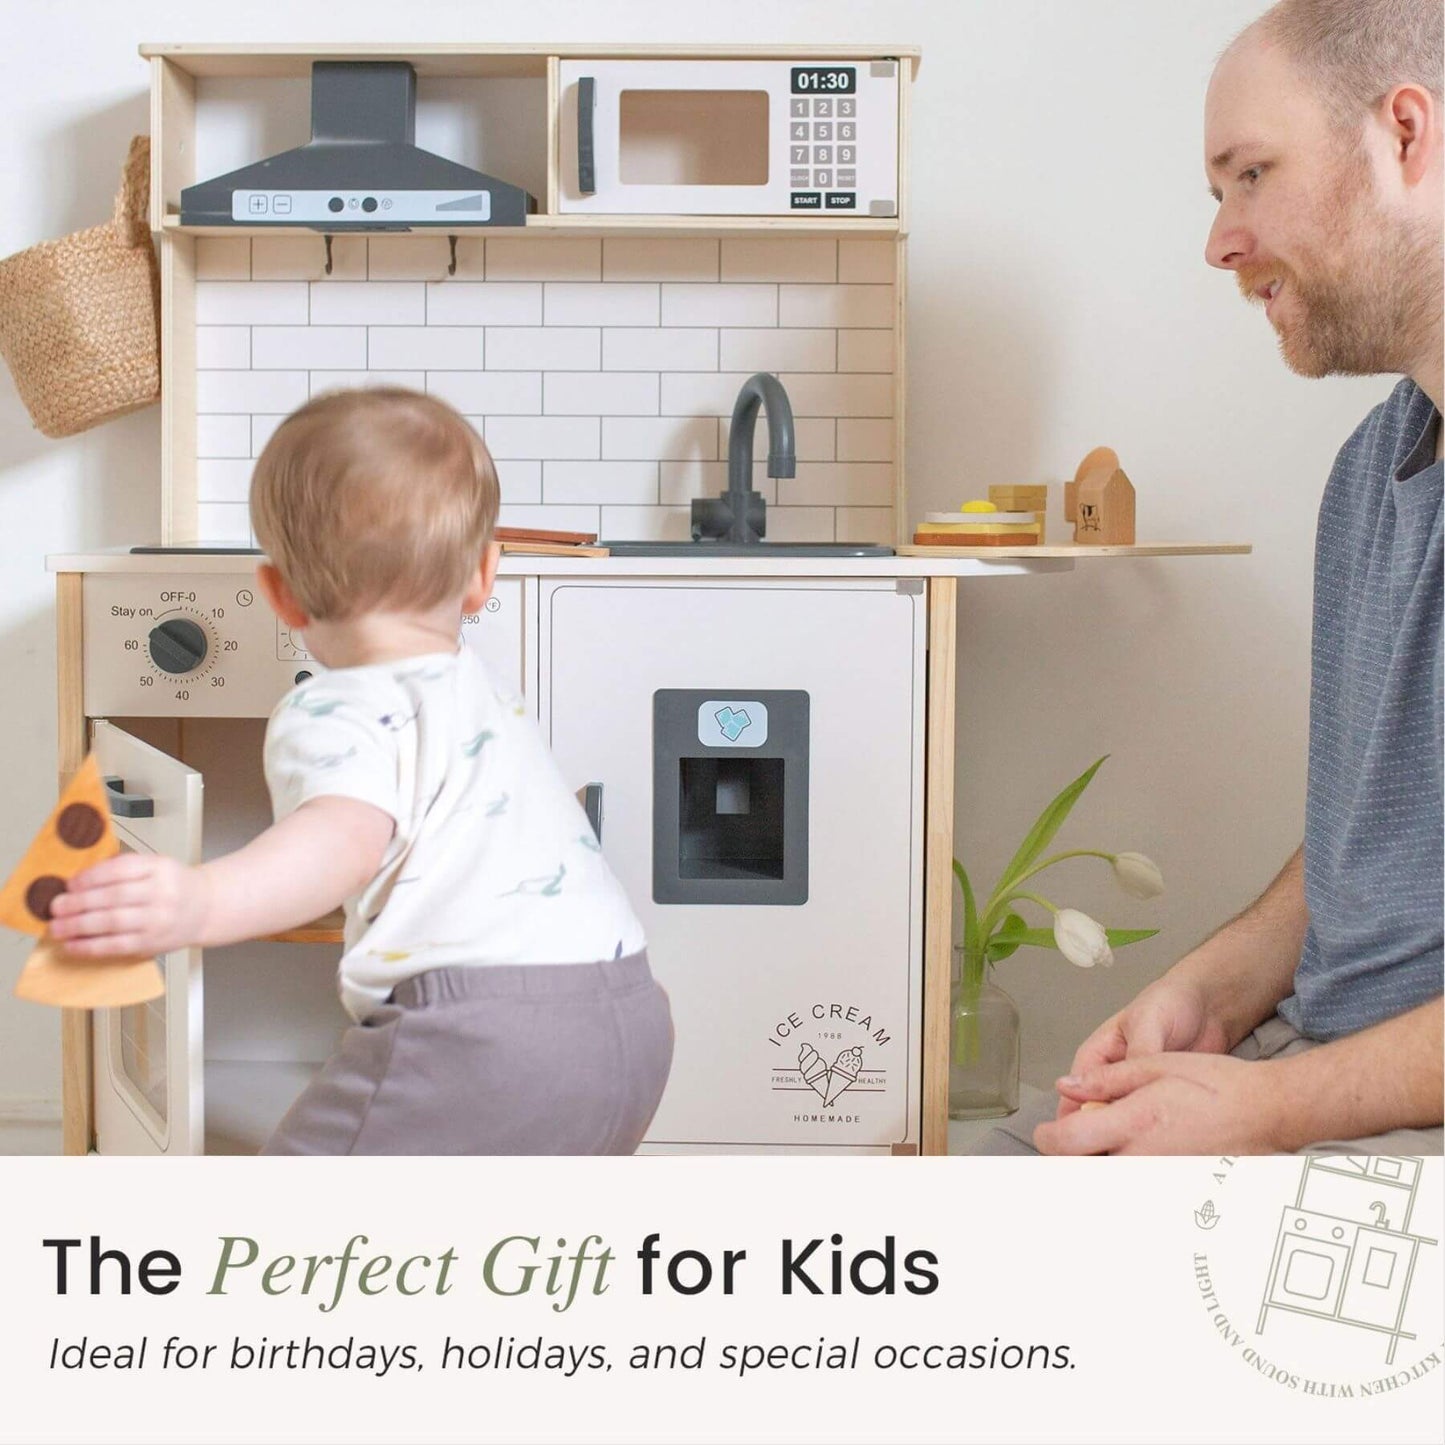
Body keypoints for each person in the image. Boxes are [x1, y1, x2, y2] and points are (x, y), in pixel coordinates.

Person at [986, 0, 1443, 1155]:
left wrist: (1275, 1105)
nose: (1220, 241)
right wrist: (1216, 987)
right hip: (1323, 1062)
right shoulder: (1370, 470)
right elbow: (1371, 835)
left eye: (1250, 174)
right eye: (1216, 192)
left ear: (1403, 135)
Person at [48, 387, 674, 1154]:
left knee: (286, 1242)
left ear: (278, 594)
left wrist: (200, 900)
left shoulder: (338, 706)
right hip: (627, 1017)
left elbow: (337, 839)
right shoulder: (482, 690)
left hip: (479, 1035)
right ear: (484, 573)